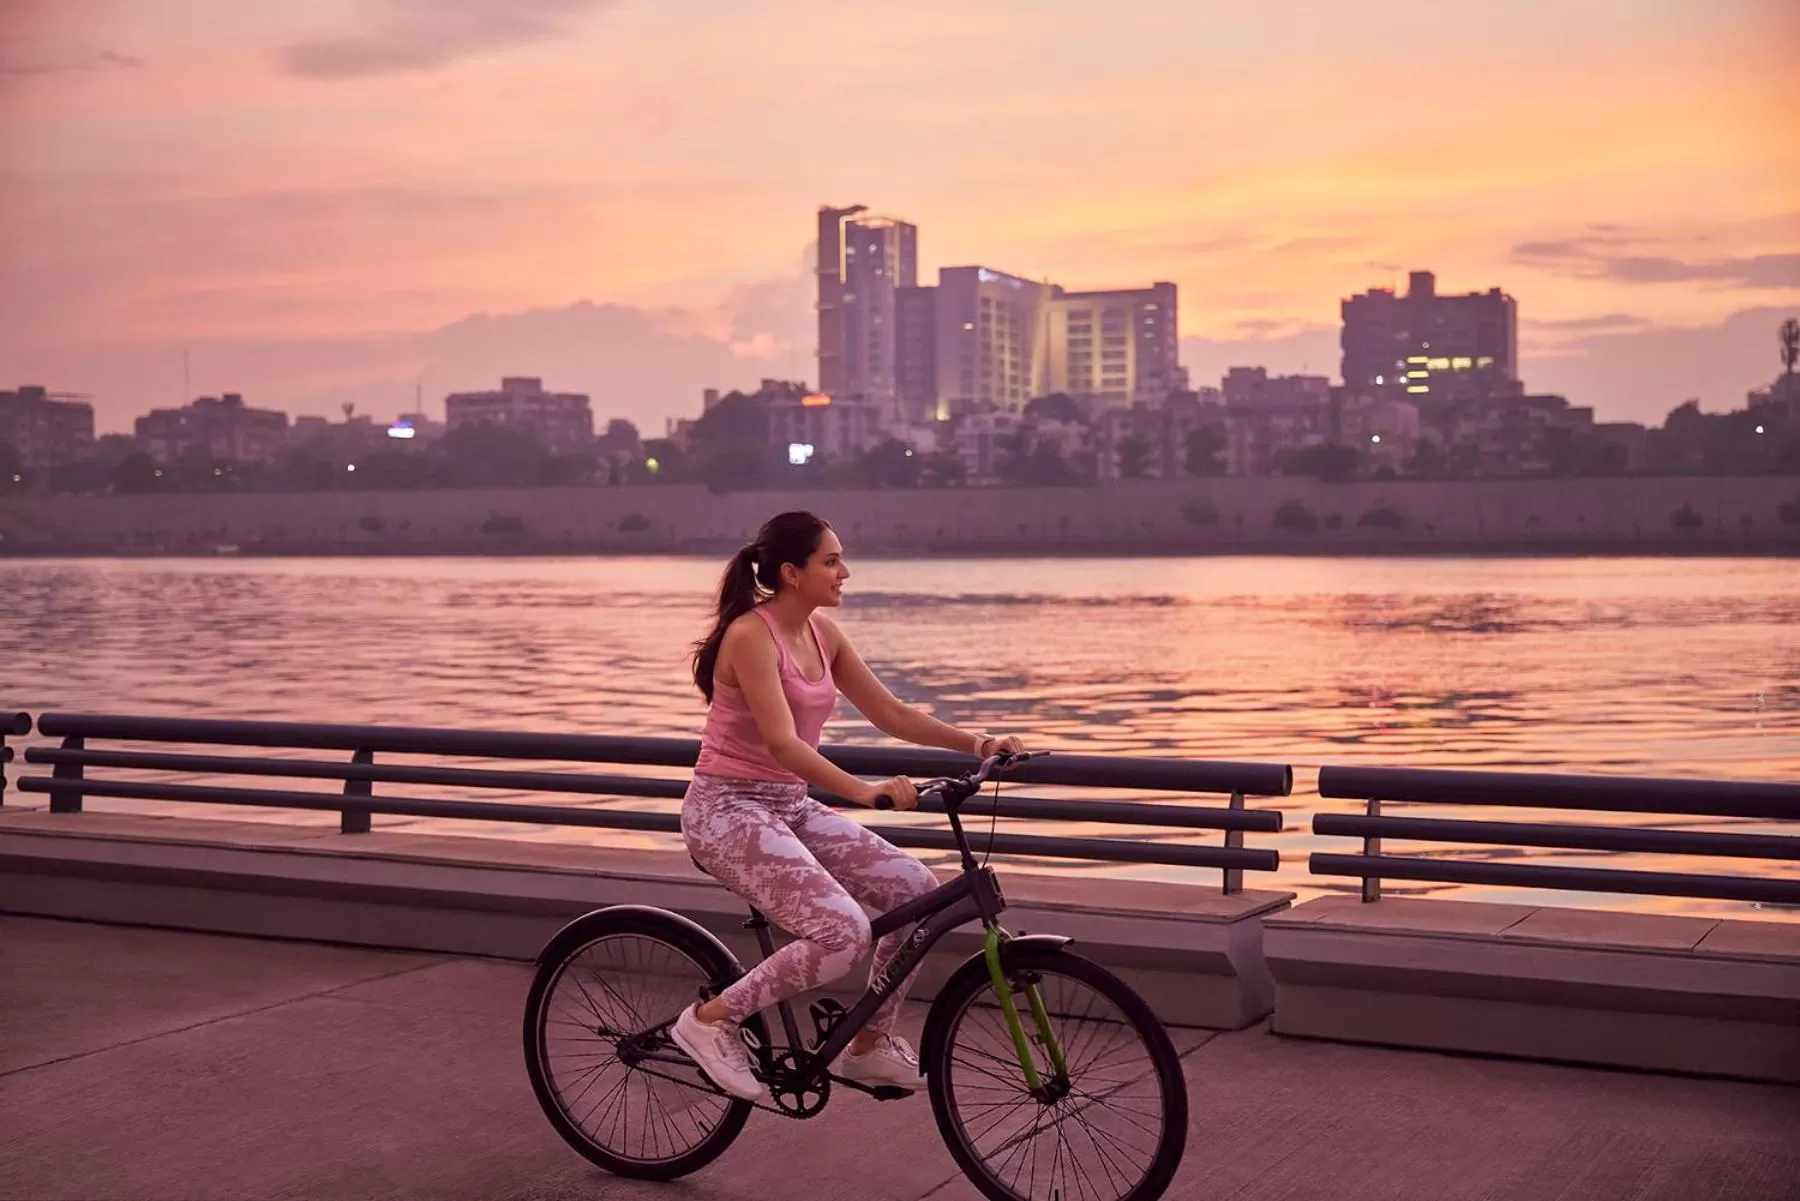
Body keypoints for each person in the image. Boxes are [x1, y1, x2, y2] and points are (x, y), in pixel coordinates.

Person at [672, 510, 1026, 1103]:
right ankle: (709, 1022)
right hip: (726, 812)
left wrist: (980, 744)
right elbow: (783, 742)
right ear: (791, 572)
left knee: (916, 893)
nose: (845, 572)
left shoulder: (822, 635)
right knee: (840, 934)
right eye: (831, 561)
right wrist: (862, 791)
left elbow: (892, 714)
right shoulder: (749, 636)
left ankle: (867, 1045)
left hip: (788, 806)